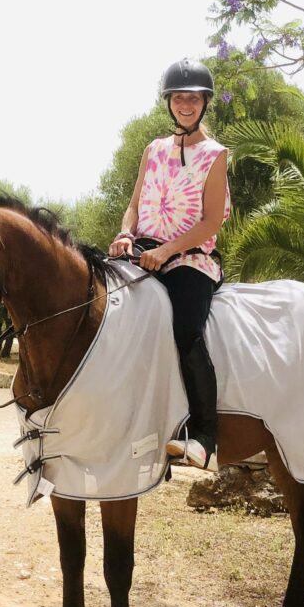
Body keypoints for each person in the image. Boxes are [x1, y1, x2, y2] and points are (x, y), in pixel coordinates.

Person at [108, 58, 230, 470]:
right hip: (143, 250)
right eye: (179, 98)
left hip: (191, 259)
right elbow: (134, 204)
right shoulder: (154, 149)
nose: (185, 104)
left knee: (185, 330)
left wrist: (168, 250)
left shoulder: (215, 155)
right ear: (169, 103)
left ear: (204, 104)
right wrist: (126, 233)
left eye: (193, 98)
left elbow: (211, 221)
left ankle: (205, 438)